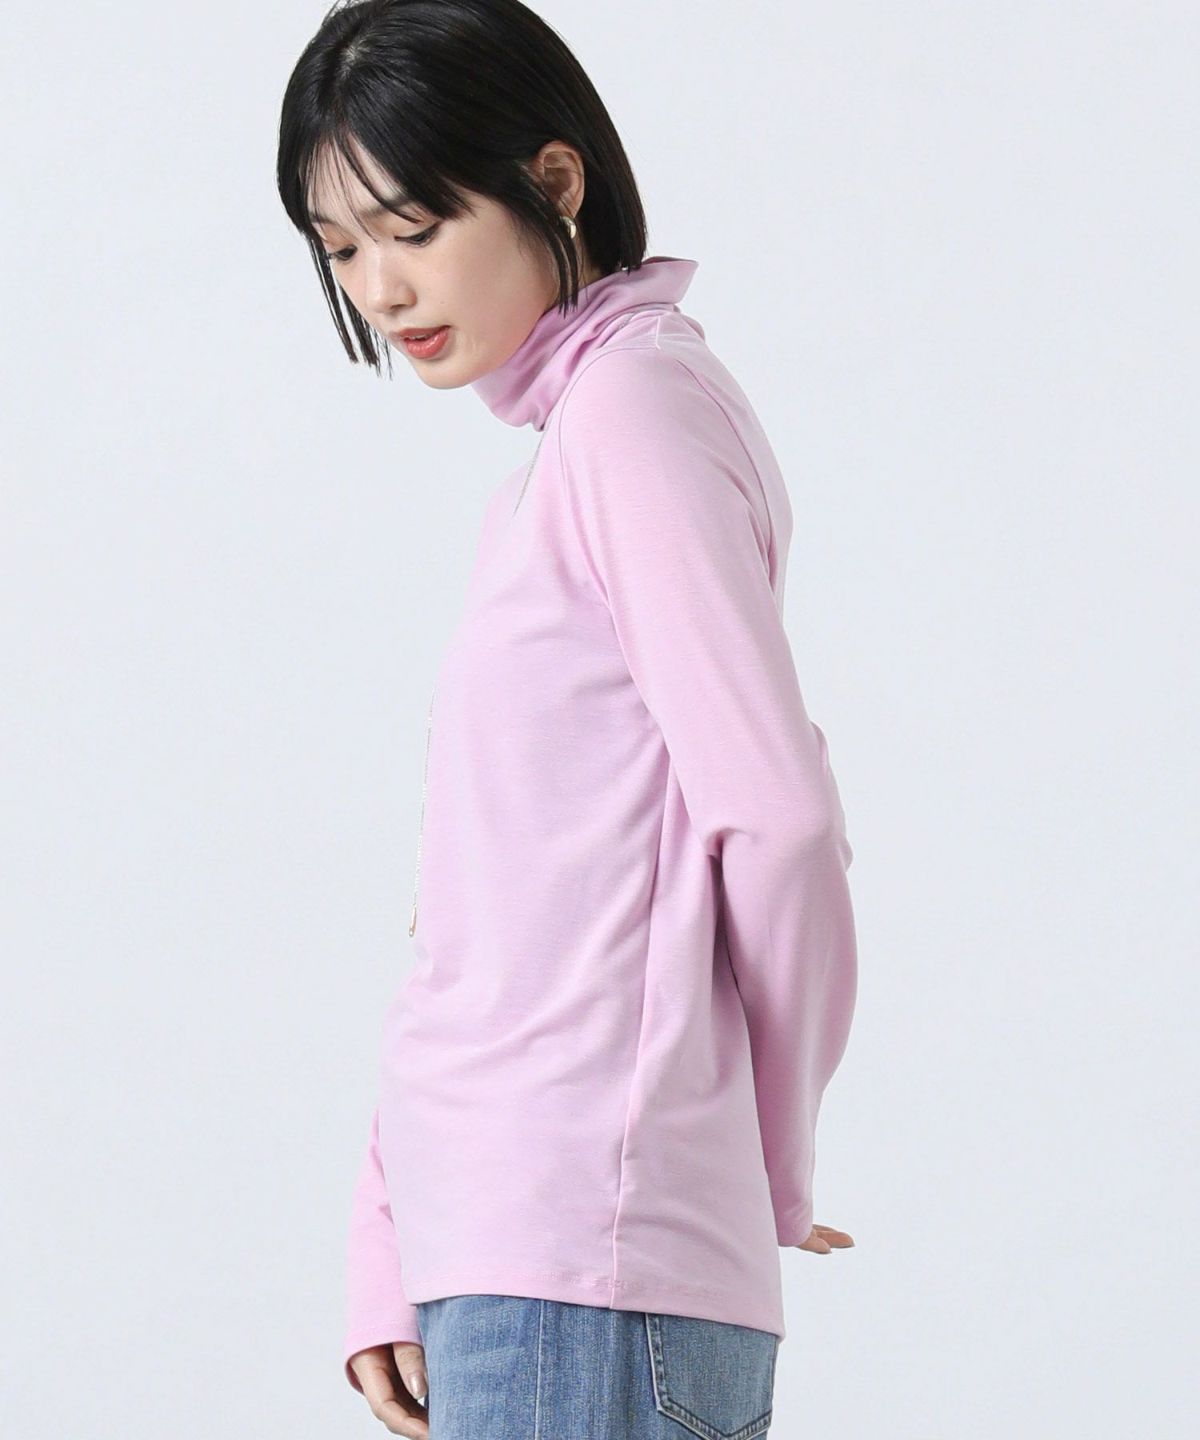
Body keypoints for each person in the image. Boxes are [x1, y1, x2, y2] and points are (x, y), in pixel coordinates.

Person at [276, 2, 859, 1435]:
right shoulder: (565, 460)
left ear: (553, 179)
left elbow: (777, 822)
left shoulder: (633, 418)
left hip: (583, 1261)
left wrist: (766, 1159)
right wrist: (390, 1247)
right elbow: (481, 930)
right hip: (520, 1255)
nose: (382, 289)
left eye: (413, 228)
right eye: (340, 249)